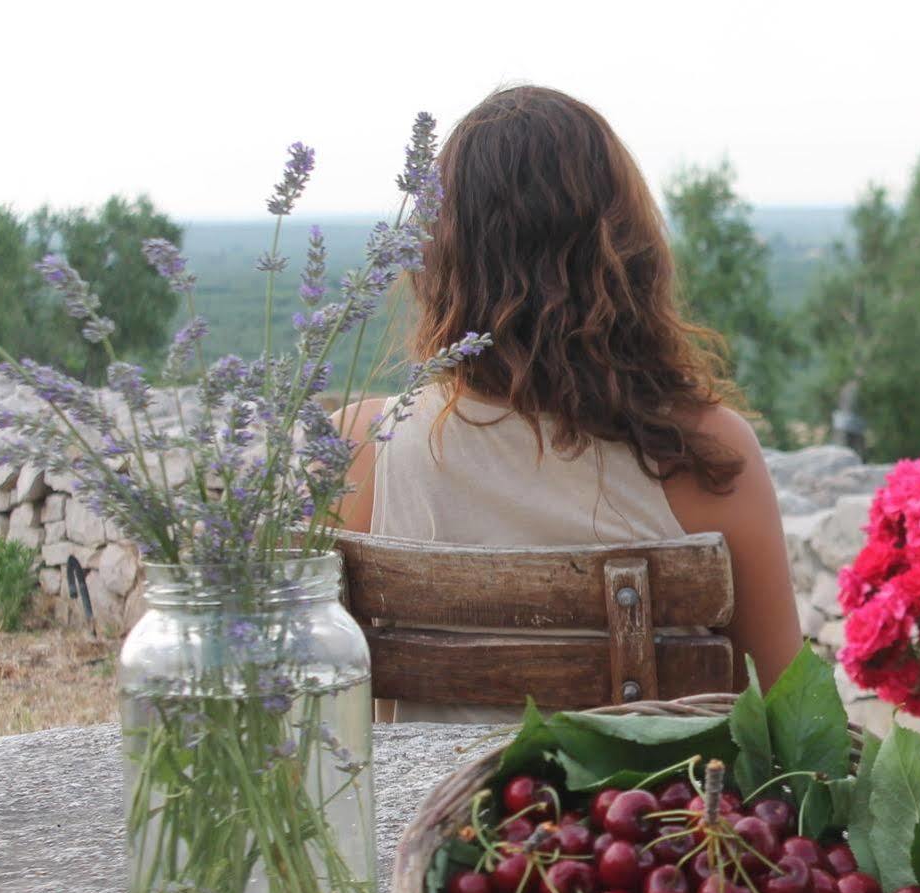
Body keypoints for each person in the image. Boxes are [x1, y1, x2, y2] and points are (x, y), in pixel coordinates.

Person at [336, 85, 801, 719]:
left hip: (425, 817)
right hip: (644, 818)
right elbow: (791, 715)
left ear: (441, 255)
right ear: (628, 252)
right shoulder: (707, 457)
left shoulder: (356, 451)